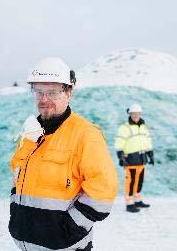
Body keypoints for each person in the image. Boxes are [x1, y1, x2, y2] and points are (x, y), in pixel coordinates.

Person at [9, 57, 118, 250]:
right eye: (39, 92)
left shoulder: (85, 134)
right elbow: (17, 177)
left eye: (52, 92)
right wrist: (16, 213)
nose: (44, 100)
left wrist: (69, 228)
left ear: (69, 93)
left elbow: (103, 190)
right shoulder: (31, 133)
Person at [114, 103, 154, 213]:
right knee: (130, 182)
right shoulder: (125, 128)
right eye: (134, 114)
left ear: (140, 114)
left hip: (142, 158)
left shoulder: (143, 127)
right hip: (130, 159)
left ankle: (137, 201)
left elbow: (148, 141)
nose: (136, 116)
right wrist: (121, 157)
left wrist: (150, 154)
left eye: (138, 114)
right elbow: (119, 142)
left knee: (139, 180)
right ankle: (129, 204)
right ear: (130, 114)